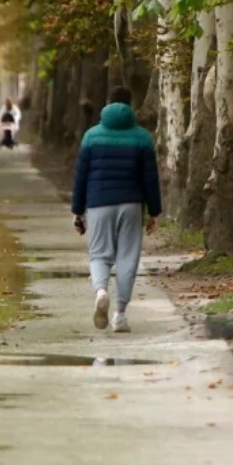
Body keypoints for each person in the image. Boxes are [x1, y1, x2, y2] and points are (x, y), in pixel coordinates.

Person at [71, 86, 161, 332]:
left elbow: (81, 176)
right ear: (131, 106)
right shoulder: (142, 137)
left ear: (107, 104)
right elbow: (150, 178)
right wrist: (154, 211)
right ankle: (120, 314)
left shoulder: (91, 136)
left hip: (98, 203)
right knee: (127, 258)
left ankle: (101, 291)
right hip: (132, 204)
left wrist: (78, 211)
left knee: (99, 255)